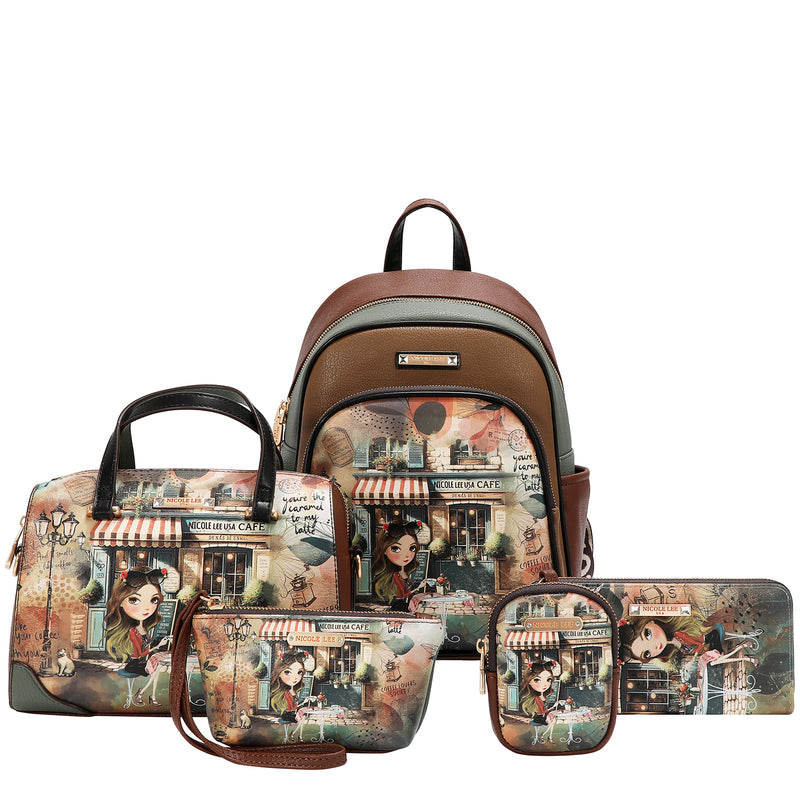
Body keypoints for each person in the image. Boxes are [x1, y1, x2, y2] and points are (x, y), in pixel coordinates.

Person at [103, 568, 172, 706]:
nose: (146, 608)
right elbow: (141, 653)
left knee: (157, 668)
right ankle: (144, 693)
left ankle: (149, 695)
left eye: (153, 600)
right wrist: (158, 646)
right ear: (120, 601)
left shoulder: (145, 628)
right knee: (155, 670)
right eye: (134, 600)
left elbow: (147, 646)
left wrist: (159, 644)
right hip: (134, 665)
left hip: (142, 663)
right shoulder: (132, 632)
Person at [372, 521, 427, 611]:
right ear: (384, 550)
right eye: (396, 549)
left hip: (407, 606)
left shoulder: (404, 572)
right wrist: (419, 587)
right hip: (399, 608)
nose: (406, 555)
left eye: (412, 548)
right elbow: (403, 595)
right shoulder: (395, 576)